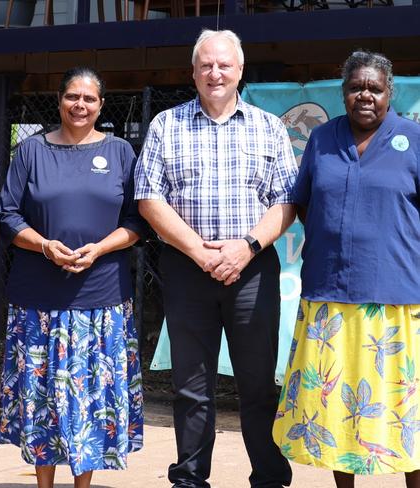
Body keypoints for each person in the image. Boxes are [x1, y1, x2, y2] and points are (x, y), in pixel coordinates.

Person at [135, 29, 298, 488]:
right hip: (188, 270)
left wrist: (244, 247)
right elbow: (149, 198)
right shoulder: (168, 124)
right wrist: (198, 251)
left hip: (252, 270)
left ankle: (268, 477)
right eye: (206, 65)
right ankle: (189, 478)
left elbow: (287, 200)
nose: (215, 73)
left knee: (259, 384)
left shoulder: (269, 126)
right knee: (190, 386)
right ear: (193, 72)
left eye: (224, 64)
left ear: (240, 70)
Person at [272, 51, 420, 487]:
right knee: (337, 406)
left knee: (402, 409)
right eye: (356, 87)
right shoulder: (322, 139)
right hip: (329, 292)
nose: (365, 96)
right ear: (344, 93)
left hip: (396, 297)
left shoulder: (413, 139)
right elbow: (302, 202)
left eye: (374, 88)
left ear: (389, 93)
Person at [0, 66, 144, 488]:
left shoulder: (120, 153)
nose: (80, 105)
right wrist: (43, 245)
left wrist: (100, 248)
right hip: (39, 302)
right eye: (72, 97)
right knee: (42, 401)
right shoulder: (31, 151)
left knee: (91, 402)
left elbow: (137, 220)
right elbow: (7, 214)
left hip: (102, 299)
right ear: (59, 100)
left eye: (89, 98)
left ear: (100, 104)